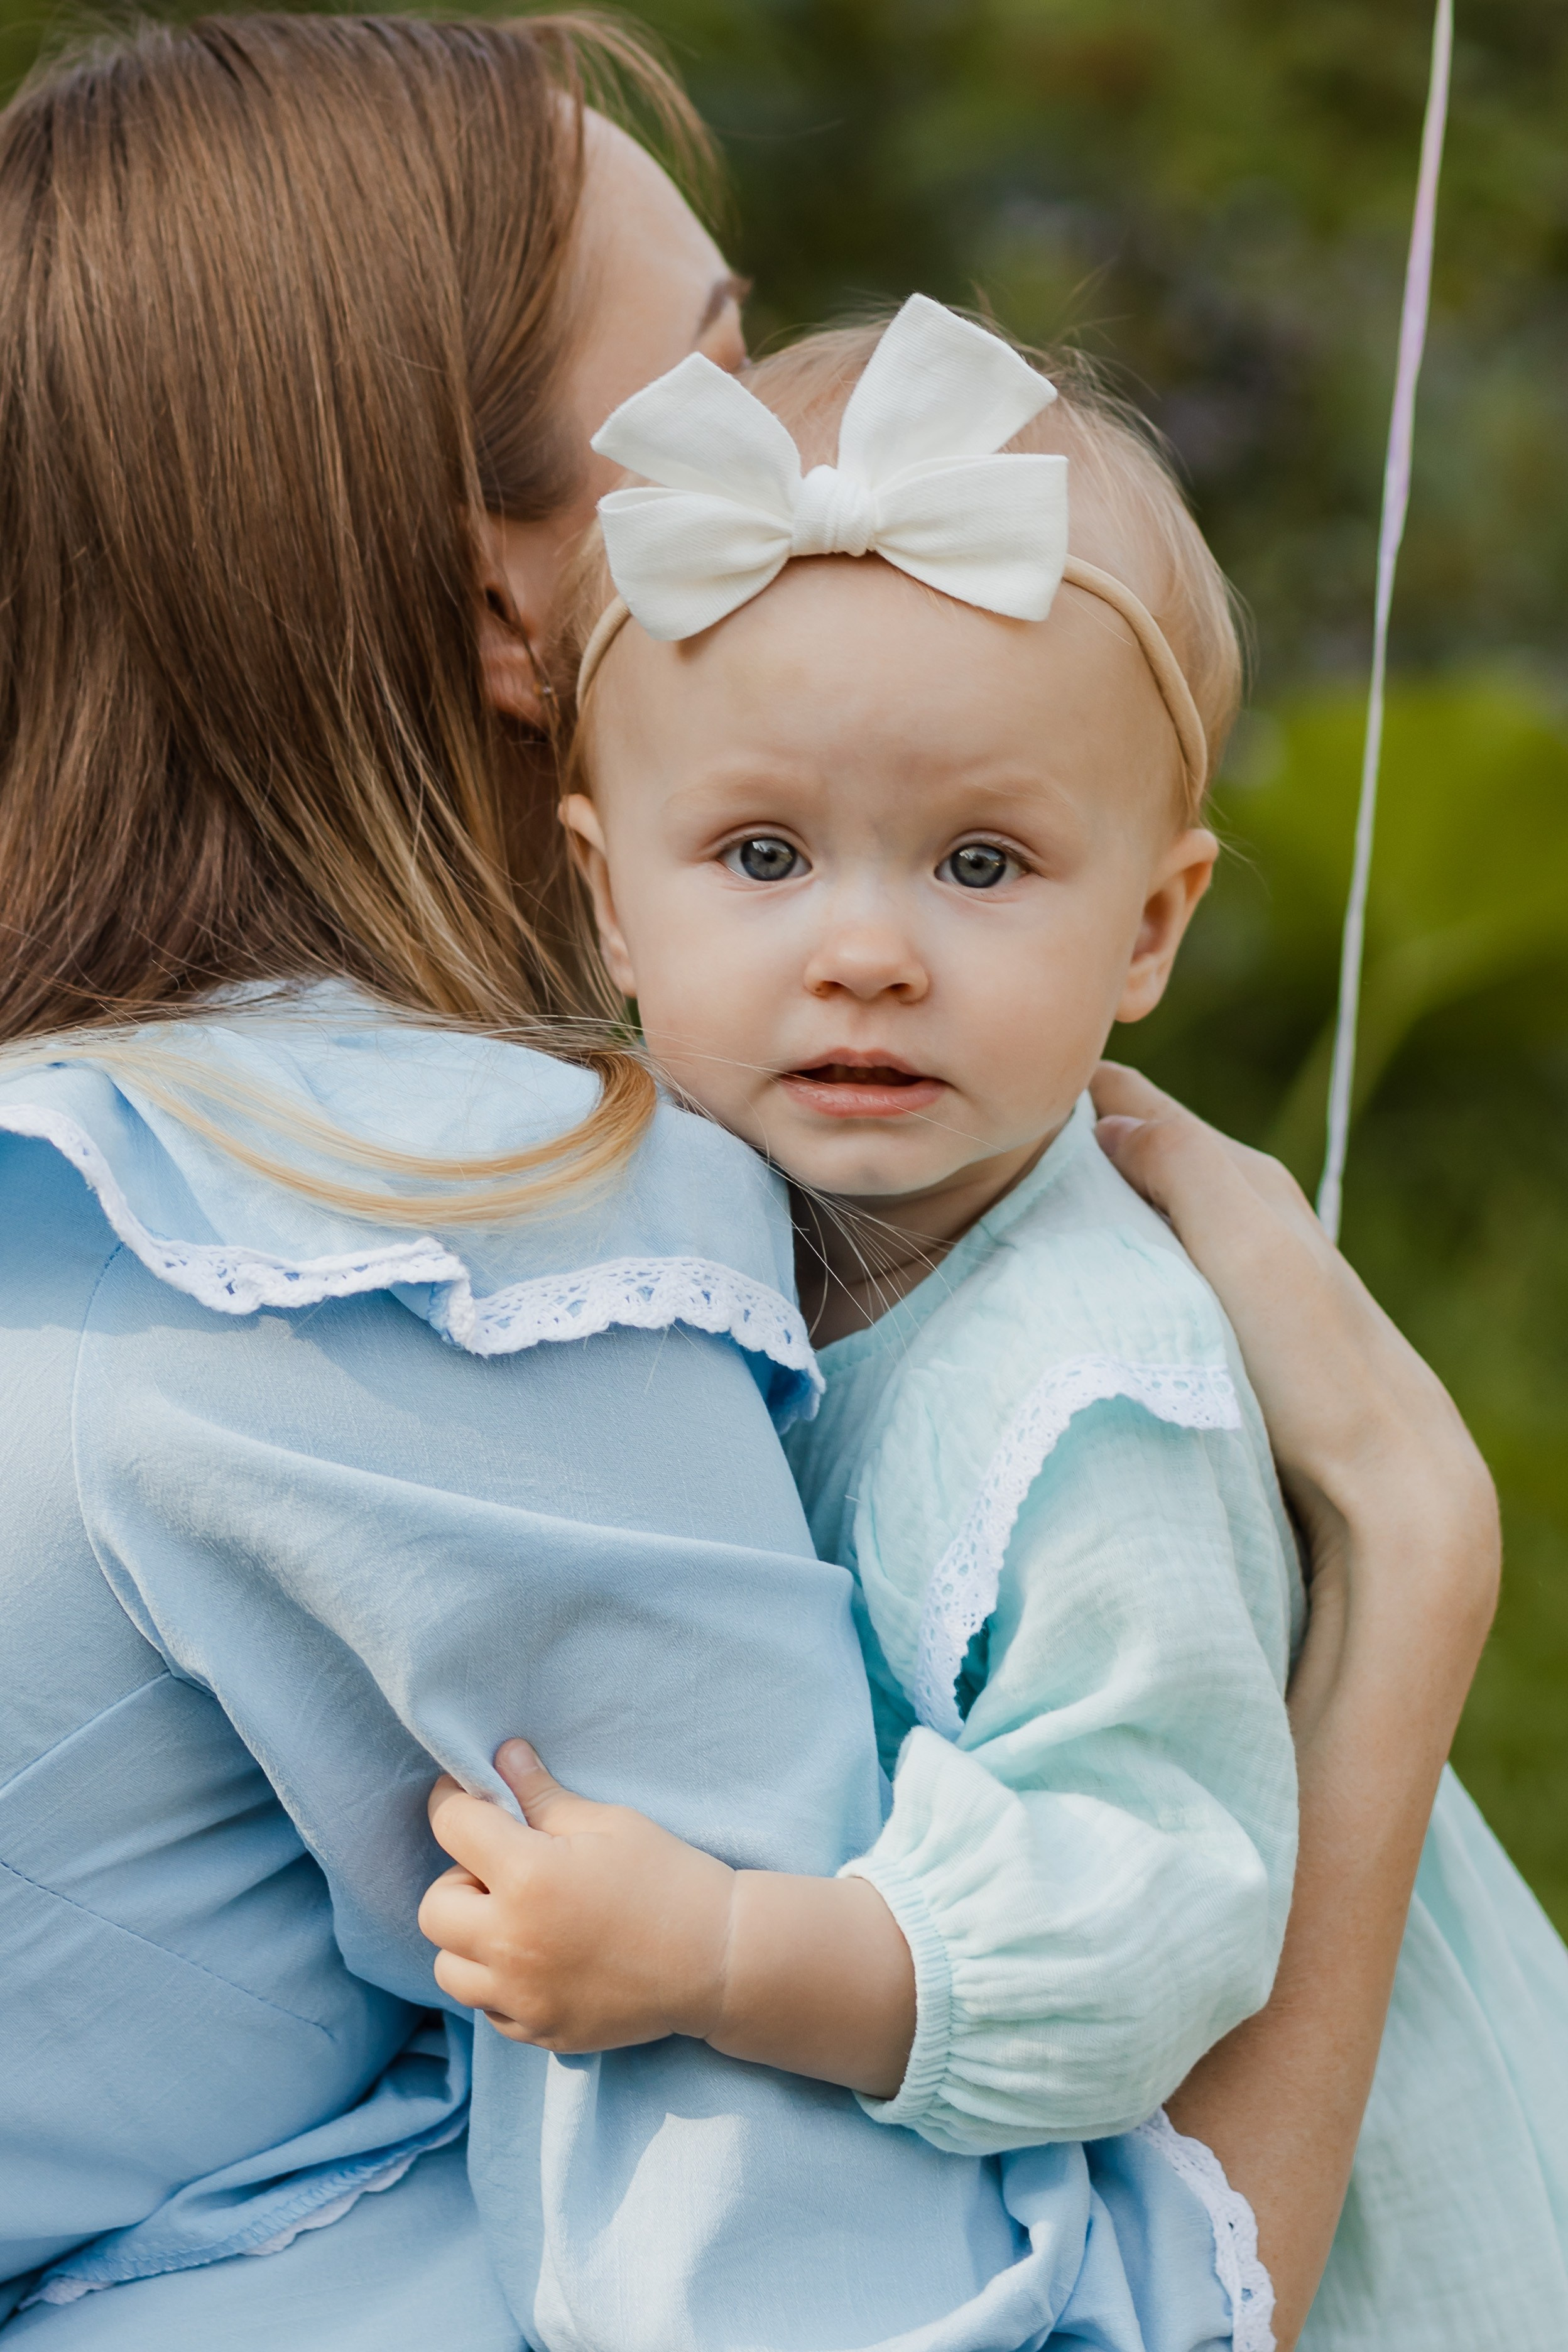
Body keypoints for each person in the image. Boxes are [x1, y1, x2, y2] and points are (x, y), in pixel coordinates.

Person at [0, 15, 1504, 2350]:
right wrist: (1409, 1552)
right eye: (708, 395)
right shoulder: (423, 1223)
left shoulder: (101, 1125)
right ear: (513, 618)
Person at [418, 303, 1568, 2350]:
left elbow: (1146, 1916)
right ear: (605, 897)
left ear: (1151, 925)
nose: (867, 949)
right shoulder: (691, 1208)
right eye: (762, 853)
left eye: (980, 862)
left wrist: (722, 1952)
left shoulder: (1088, 1389)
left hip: (1350, 2270)